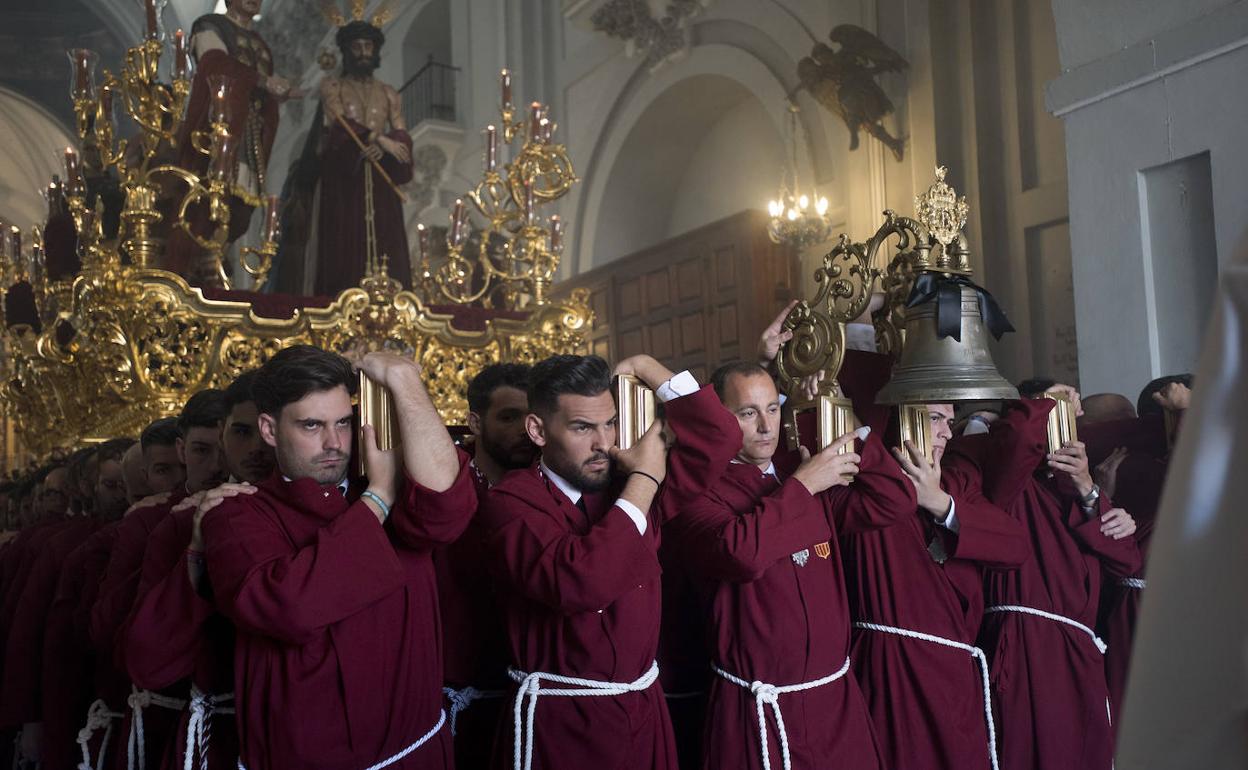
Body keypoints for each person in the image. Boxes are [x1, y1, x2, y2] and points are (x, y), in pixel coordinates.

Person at [199, 345, 476, 769]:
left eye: (343, 423)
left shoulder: (395, 485)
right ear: (270, 430)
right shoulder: (237, 512)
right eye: (311, 426)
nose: (333, 443)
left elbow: (446, 511)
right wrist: (377, 499)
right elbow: (288, 606)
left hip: (417, 754)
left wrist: (405, 381)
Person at [481, 353, 740, 770]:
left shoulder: (624, 479)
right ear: (537, 430)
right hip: (562, 723)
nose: (603, 442)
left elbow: (722, 435)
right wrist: (644, 482)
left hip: (643, 711)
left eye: (610, 423)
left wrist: (646, 365)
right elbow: (582, 581)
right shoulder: (511, 502)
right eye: (582, 427)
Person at [664, 360, 913, 770]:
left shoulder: (798, 472)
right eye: (748, 413)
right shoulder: (694, 493)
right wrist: (805, 485)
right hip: (757, 708)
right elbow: (740, 553)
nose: (766, 426)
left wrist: (836, 417)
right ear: (720, 422)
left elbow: (894, 501)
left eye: (773, 409)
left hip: (834, 701)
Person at [842, 398, 1028, 770]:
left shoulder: (957, 481)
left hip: (954, 672)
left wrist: (940, 503)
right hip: (889, 671)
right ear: (900, 422)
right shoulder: (860, 482)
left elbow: (1014, 546)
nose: (946, 431)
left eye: (950, 420)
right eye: (934, 419)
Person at [974, 384, 1142, 770]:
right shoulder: (1008, 487)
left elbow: (1127, 563)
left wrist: (1087, 487)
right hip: (1024, 645)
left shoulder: (1081, 492)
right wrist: (1045, 399)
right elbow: (1015, 443)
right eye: (1050, 420)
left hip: (1078, 652)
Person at [122, 370, 275, 770]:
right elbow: (146, 656)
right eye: (243, 432)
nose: (258, 446)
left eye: (269, 430)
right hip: (213, 734)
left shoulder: (324, 516)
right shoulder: (175, 522)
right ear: (223, 434)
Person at [91, 396, 224, 770]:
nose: (215, 465)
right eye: (201, 450)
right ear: (183, 450)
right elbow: (108, 631)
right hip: (165, 714)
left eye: (223, 447)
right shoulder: (148, 520)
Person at [438, 363, 534, 769]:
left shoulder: (546, 484)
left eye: (531, 419)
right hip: (458, 677)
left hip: (528, 680)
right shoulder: (445, 480)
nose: (523, 431)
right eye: (509, 417)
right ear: (475, 422)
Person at [276, 18, 412, 296]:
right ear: (347, 51)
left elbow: (401, 132)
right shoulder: (333, 86)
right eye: (357, 47)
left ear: (375, 51)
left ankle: (389, 297)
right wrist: (379, 139)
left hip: (379, 173)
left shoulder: (388, 93)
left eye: (368, 46)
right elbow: (338, 123)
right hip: (344, 174)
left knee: (386, 241)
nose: (363, 52)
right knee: (344, 239)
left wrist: (391, 145)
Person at [163, 0, 292, 285]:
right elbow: (214, 63)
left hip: (250, 130)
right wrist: (263, 81)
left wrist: (274, 93)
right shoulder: (211, 26)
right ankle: (194, 262)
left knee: (239, 204)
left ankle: (216, 255)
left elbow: (263, 88)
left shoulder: (261, 43)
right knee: (207, 197)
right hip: (219, 129)